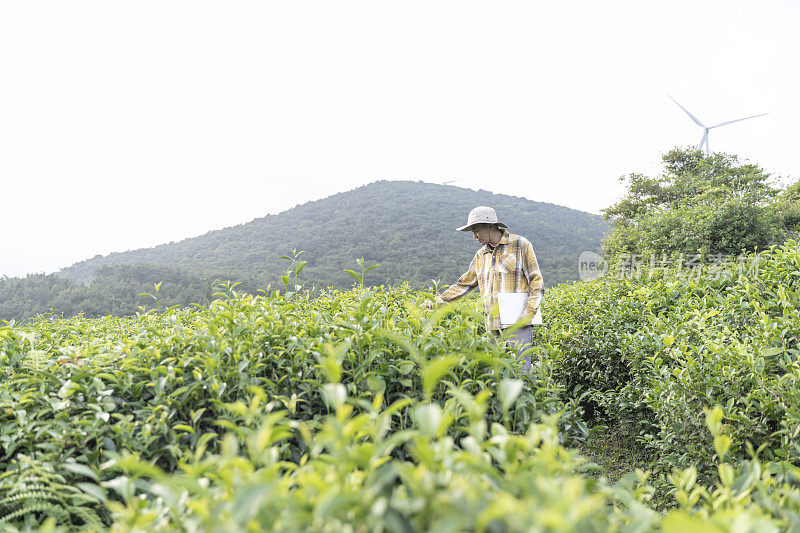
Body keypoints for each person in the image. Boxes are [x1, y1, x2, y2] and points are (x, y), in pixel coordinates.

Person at [432, 206, 544, 373]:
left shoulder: (520, 245)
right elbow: (464, 284)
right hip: (493, 326)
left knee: (521, 373)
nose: (474, 236)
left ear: (490, 226)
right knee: (497, 375)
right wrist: (439, 300)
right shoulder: (480, 256)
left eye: (476, 230)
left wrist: (528, 313)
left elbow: (536, 281)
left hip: (518, 324)